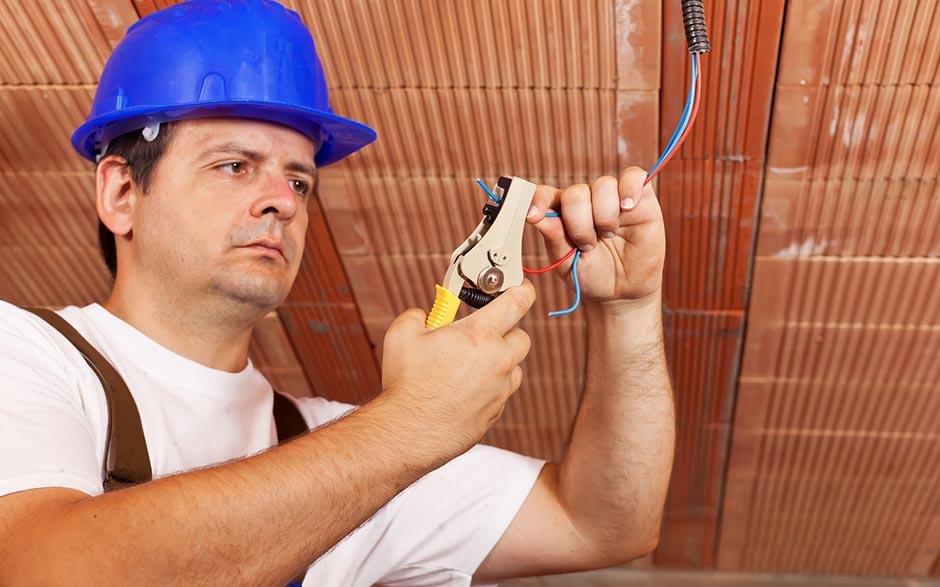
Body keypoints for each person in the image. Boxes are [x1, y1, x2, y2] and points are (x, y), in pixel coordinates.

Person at [0, 1, 674, 585]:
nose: (282, 203)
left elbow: (600, 524)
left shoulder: (336, 444)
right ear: (121, 192)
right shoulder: (25, 356)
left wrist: (629, 310)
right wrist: (409, 425)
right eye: (235, 165)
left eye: (298, 181)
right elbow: (40, 570)